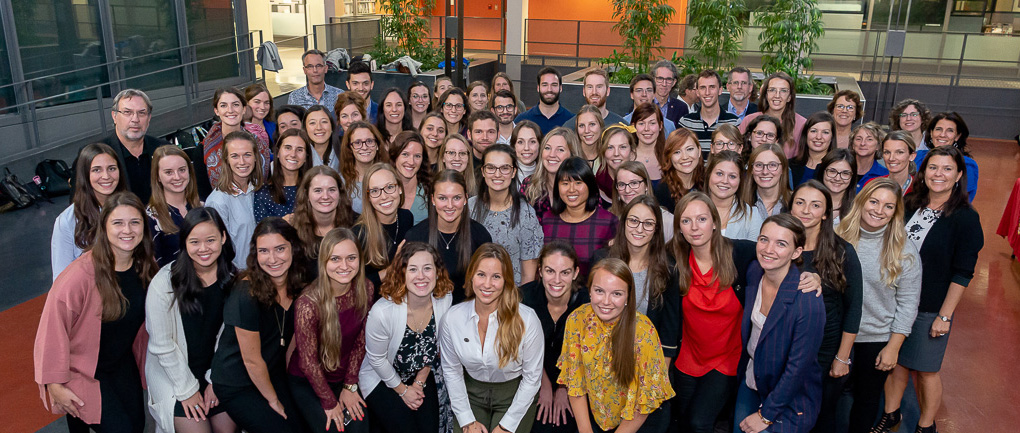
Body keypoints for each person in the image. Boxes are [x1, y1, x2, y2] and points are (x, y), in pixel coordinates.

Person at [879, 146, 983, 433]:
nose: (939, 174)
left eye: (947, 169)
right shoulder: (910, 203)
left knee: (926, 371)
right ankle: (891, 414)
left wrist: (945, 316)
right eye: (933, 168)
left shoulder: (965, 218)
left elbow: (963, 273)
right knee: (895, 363)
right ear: (923, 173)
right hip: (896, 301)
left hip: (930, 306)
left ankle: (925, 426)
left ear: (959, 175)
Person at [36, 192, 156, 433]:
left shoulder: (146, 267)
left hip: (121, 363)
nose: (127, 230)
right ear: (104, 227)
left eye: (135, 222)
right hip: (82, 369)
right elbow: (51, 330)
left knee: (136, 426)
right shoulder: (78, 276)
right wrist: (54, 383)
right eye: (118, 223)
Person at [832, 178, 921, 433]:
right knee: (830, 397)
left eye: (888, 206)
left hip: (875, 338)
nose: (878, 210)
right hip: (836, 334)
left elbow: (908, 303)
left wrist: (893, 347)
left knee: (866, 400)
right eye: (874, 201)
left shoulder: (904, 250)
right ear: (861, 201)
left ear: (896, 212)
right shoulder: (836, 234)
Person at [210, 217, 314, 433]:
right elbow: (251, 361)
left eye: (280, 249)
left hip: (271, 371)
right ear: (255, 255)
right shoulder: (245, 294)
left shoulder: (300, 284)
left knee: (306, 424)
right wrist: (274, 400)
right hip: (237, 381)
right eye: (264, 251)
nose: (272, 258)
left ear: (293, 249)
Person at [145, 207, 238, 433]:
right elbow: (162, 346)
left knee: (227, 429)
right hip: (175, 376)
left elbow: (230, 340)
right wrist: (188, 391)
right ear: (184, 243)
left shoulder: (234, 281)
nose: (203, 249)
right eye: (194, 241)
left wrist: (214, 381)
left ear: (223, 238)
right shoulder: (164, 284)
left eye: (211, 240)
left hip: (215, 373)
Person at [557, 258, 675, 433]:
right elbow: (575, 381)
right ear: (589, 291)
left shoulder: (644, 331)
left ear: (628, 295)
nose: (606, 301)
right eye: (599, 291)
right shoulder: (577, 320)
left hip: (641, 420)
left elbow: (644, 402)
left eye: (617, 294)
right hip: (597, 417)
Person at [670, 192, 754, 433]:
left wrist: (808, 274)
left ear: (715, 223)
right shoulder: (675, 261)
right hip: (688, 358)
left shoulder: (740, 254)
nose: (695, 228)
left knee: (700, 422)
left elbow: (778, 254)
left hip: (726, 358)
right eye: (686, 221)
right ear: (679, 229)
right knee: (684, 423)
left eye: (702, 219)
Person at [734, 214, 825, 433]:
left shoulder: (807, 300)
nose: (768, 249)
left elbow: (797, 369)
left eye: (781, 244)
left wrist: (765, 416)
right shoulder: (755, 271)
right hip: (753, 380)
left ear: (796, 252)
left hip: (790, 397)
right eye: (764, 239)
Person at [439, 244, 544, 433]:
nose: (487, 284)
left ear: (506, 281)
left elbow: (532, 378)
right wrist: (466, 420)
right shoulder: (452, 318)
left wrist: (506, 427)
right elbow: (452, 371)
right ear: (471, 276)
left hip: (515, 395)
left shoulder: (527, 319)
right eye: (481, 275)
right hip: (470, 395)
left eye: (496, 277)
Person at [789, 181, 864, 433]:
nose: (806, 210)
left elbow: (853, 309)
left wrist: (842, 357)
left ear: (825, 213)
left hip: (827, 350)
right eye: (800, 202)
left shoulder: (843, 251)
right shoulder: (781, 248)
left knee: (822, 416)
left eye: (815, 205)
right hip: (790, 349)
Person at [360, 242, 456, 433]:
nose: (421, 276)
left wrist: (418, 384)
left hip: (420, 373)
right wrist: (404, 391)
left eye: (427, 268)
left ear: (437, 272)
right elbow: (377, 360)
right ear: (402, 273)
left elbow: (435, 347)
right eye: (413, 269)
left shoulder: (445, 300)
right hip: (382, 378)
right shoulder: (382, 312)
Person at [288, 228, 374, 433]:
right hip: (309, 381)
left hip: (345, 377)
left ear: (360, 260)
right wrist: (330, 402)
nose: (344, 266)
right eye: (335, 259)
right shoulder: (308, 303)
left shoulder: (366, 288)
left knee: (360, 428)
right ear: (324, 261)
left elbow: (362, 341)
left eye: (351, 258)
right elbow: (308, 362)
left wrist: (350, 385)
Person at [595, 195, 681, 363]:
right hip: (603, 356)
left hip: (647, 361)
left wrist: (659, 380)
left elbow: (669, 331)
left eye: (648, 224)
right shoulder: (602, 260)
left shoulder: (668, 268)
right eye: (633, 221)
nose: (639, 229)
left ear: (656, 229)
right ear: (624, 223)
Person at [520, 241, 589, 433]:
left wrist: (563, 386)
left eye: (565, 272)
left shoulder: (588, 303)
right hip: (531, 374)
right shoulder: (524, 298)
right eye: (550, 271)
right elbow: (518, 347)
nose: (556, 280)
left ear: (575, 273)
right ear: (540, 271)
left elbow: (587, 354)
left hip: (575, 380)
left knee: (565, 424)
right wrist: (543, 383)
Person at [404, 170, 493, 303]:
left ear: (465, 199)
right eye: (442, 198)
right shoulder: (415, 236)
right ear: (433, 199)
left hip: (468, 311)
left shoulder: (480, 235)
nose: (450, 205)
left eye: (456, 198)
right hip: (427, 311)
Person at [469, 144, 544, 285]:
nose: (497, 174)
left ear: (514, 172)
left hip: (512, 298)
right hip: (474, 296)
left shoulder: (525, 214)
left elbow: (528, 275)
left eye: (504, 168)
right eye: (491, 168)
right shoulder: (469, 208)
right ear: (483, 171)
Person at [53, 143, 128, 279]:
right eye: (96, 170)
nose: (106, 176)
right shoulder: (67, 221)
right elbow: (61, 279)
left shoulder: (131, 209)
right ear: (85, 174)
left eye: (111, 168)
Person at [540, 157, 618, 281]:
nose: (571, 189)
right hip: (553, 293)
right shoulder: (547, 220)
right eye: (565, 183)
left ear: (589, 185)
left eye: (578, 183)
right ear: (557, 187)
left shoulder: (608, 222)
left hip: (593, 296)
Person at [206, 131, 266, 270]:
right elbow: (218, 251)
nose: (242, 162)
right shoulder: (217, 202)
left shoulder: (260, 189)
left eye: (247, 155)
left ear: (256, 157)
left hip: (265, 270)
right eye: (235, 156)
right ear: (226, 159)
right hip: (239, 277)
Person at [99, 89, 168, 203]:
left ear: (149, 118)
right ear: (114, 116)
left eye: (141, 113)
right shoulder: (95, 154)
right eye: (127, 112)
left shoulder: (164, 149)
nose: (135, 119)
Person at [352, 163, 414, 290]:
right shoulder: (359, 234)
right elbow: (354, 286)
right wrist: (391, 269)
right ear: (368, 197)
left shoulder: (406, 218)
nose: (384, 196)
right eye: (375, 191)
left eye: (390, 187)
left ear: (400, 189)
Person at [203, 87, 271, 187]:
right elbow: (203, 193)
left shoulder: (258, 143)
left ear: (243, 109)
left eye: (235, 105)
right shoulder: (205, 148)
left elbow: (265, 179)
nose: (230, 110)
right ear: (216, 111)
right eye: (223, 105)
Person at [148, 145, 202, 267]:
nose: (177, 177)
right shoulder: (151, 218)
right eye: (169, 172)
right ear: (157, 177)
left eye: (182, 170)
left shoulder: (203, 205)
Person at [285, 166, 356, 257]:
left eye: (331, 190)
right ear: (306, 195)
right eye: (318, 190)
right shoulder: (293, 228)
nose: (325, 196)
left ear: (340, 193)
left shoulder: (358, 225)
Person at [739, 72, 806, 159]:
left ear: (789, 97)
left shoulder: (802, 124)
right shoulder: (749, 120)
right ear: (766, 95)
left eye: (783, 91)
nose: (777, 95)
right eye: (772, 90)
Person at [914, 112, 979, 202]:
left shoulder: (966, 165)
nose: (943, 134)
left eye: (950, 130)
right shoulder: (917, 157)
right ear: (931, 133)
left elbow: (963, 200)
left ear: (957, 136)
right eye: (938, 129)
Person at [254, 129, 313, 221]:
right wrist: (282, 224)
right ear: (277, 153)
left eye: (300, 150)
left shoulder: (315, 190)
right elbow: (262, 232)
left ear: (306, 156)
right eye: (288, 148)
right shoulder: (263, 193)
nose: (293, 154)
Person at [704, 150, 763, 241]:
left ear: (740, 180)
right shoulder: (692, 209)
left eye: (732, 176)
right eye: (719, 174)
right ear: (709, 175)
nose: (725, 181)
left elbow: (754, 253)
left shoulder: (752, 216)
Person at [524, 127, 583, 216]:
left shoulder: (585, 185)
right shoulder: (529, 185)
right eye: (547, 148)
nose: (552, 154)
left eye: (560, 150)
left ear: (572, 154)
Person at [677, 69, 740, 151]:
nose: (707, 92)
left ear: (720, 90)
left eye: (712, 87)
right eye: (703, 88)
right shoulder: (685, 123)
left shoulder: (734, 123)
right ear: (697, 92)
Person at [611, 161, 674, 242]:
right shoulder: (610, 219)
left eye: (634, 183)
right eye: (622, 184)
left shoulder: (667, 221)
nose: (627, 190)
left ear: (646, 185)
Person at [340, 121, 391, 213]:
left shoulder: (389, 176)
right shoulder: (340, 182)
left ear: (377, 145)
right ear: (350, 148)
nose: (364, 147)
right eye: (357, 142)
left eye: (369, 141)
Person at [654, 127, 704, 212]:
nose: (685, 157)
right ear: (669, 157)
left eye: (690, 149)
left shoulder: (709, 182)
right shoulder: (662, 192)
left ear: (699, 151)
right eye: (677, 152)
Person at [389, 131, 432, 223]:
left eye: (417, 156)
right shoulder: (382, 191)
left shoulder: (430, 191)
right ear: (395, 155)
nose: (411, 162)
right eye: (405, 154)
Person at [515, 66, 574, 134]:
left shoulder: (571, 121)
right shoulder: (522, 119)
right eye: (545, 85)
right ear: (538, 88)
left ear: (560, 88)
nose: (549, 89)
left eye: (554, 85)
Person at [742, 143, 792, 217]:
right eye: (759, 165)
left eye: (772, 165)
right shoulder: (740, 204)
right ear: (751, 169)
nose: (765, 172)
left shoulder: (794, 202)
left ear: (783, 169)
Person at [288, 49, 343, 114]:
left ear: (325, 68)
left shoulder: (339, 95)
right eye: (310, 66)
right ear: (304, 70)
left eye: (318, 66)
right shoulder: (295, 97)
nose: (315, 70)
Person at [790, 112, 837, 187]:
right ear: (806, 134)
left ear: (832, 137)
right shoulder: (789, 166)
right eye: (814, 131)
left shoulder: (837, 169)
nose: (818, 137)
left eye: (825, 132)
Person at [814, 149, 857, 226]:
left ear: (852, 176)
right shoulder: (808, 202)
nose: (837, 178)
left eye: (845, 173)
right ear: (823, 172)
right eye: (832, 171)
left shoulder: (858, 208)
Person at [595, 124, 637, 200]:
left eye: (622, 147)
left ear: (632, 152)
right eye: (610, 147)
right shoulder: (594, 186)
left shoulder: (641, 182)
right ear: (603, 152)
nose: (616, 153)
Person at [630, 103, 667, 182]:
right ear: (634, 126)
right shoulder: (626, 157)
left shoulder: (670, 157)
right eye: (641, 123)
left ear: (660, 126)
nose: (646, 128)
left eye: (652, 123)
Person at [852, 122, 889, 191]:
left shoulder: (885, 175)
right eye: (858, 139)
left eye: (869, 139)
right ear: (853, 145)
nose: (862, 143)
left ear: (878, 145)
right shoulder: (842, 169)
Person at [305, 105, 341, 170]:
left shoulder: (346, 151)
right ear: (305, 129)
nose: (319, 127)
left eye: (324, 122)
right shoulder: (300, 155)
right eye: (312, 123)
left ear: (332, 126)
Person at [652, 59, 688, 125]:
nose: (664, 84)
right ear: (653, 80)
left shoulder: (681, 108)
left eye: (668, 79)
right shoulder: (643, 104)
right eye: (660, 79)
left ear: (674, 82)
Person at [574, 105, 606, 170]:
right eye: (581, 125)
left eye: (592, 124)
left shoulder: (608, 155)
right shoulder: (570, 155)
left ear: (601, 125)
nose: (587, 130)